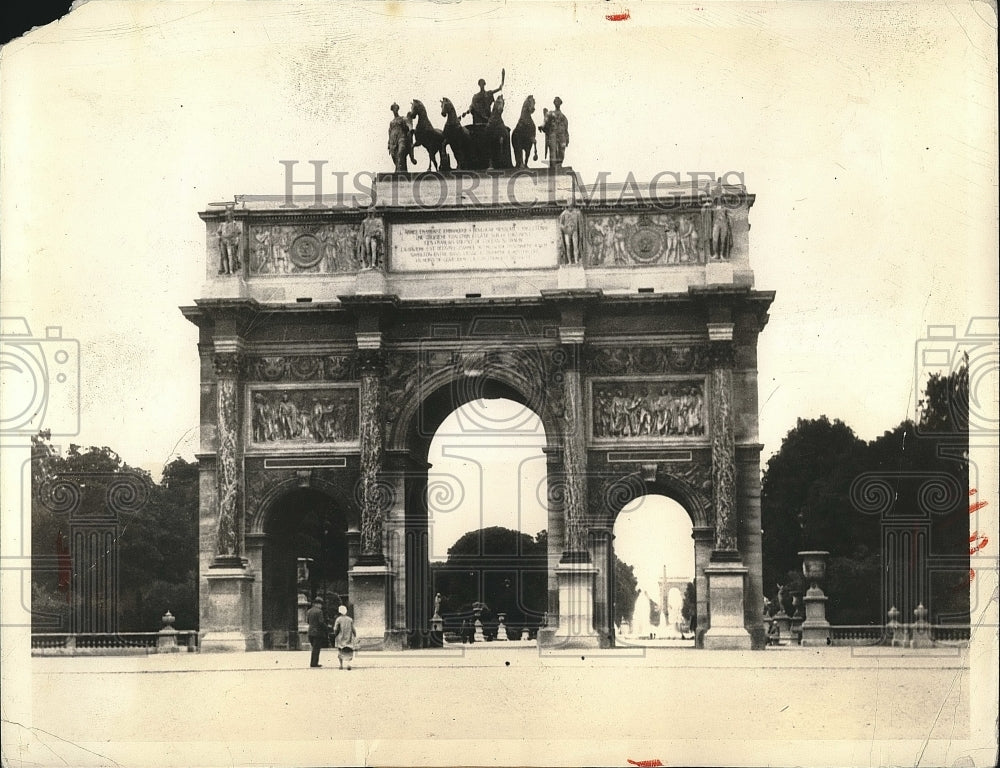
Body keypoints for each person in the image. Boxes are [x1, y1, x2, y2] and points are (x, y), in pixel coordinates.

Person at [332, 604, 357, 670]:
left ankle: (341, 665)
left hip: (340, 637)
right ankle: (348, 664)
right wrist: (355, 635)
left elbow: (335, 629)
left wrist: (335, 634)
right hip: (348, 637)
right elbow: (353, 629)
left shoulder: (338, 619)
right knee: (349, 651)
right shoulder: (350, 619)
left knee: (340, 650)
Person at [306, 597, 328, 668]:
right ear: (318, 604)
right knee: (316, 648)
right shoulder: (319, 611)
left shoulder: (309, 611)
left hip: (310, 632)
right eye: (321, 604)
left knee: (314, 648)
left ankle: (313, 662)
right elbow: (321, 622)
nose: (321, 606)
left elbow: (308, 621)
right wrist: (326, 628)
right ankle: (314, 663)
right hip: (317, 632)